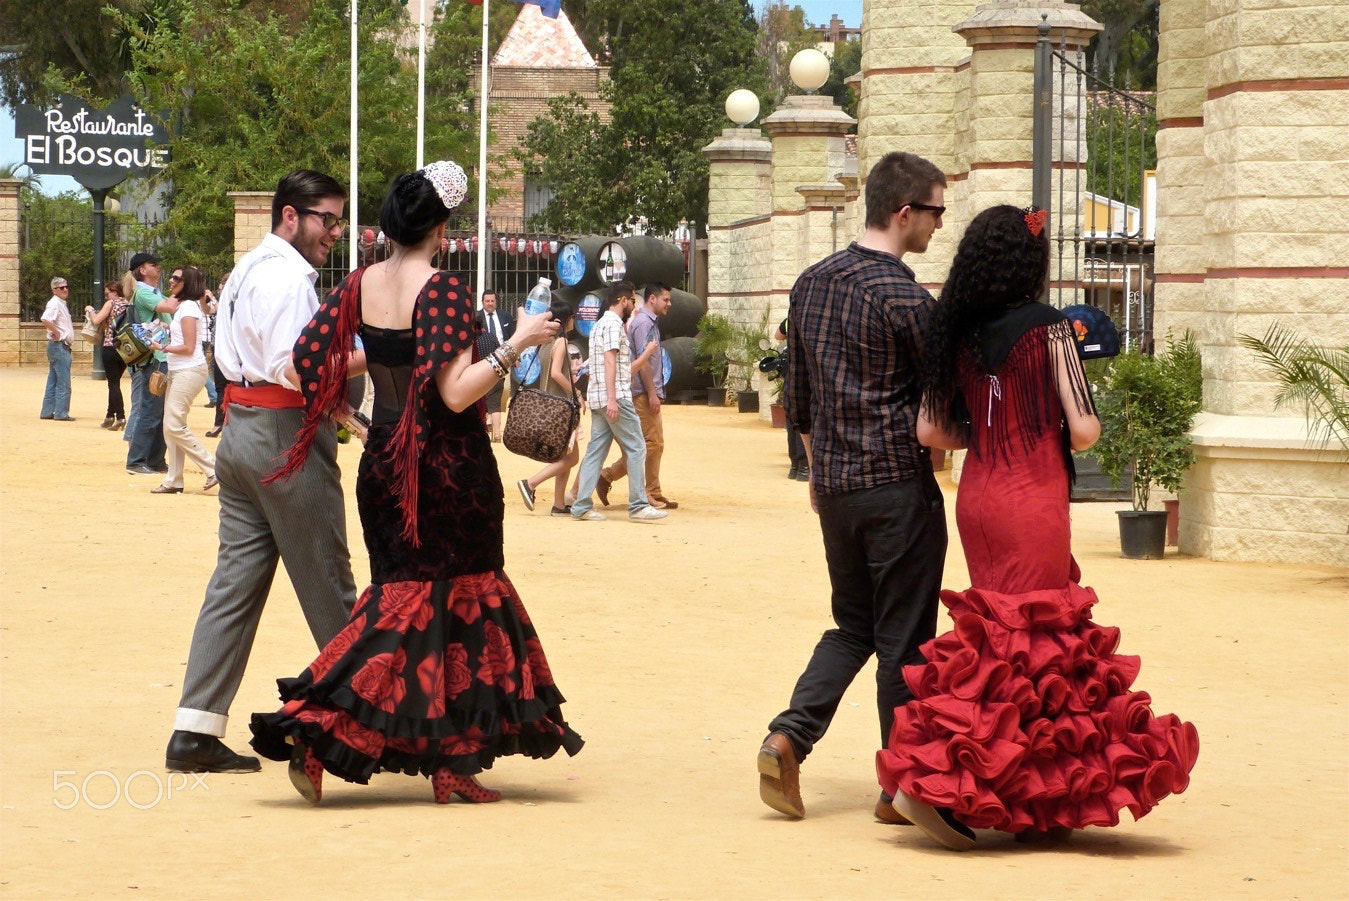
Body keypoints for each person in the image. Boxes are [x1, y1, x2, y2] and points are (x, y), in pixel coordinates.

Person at [249, 161, 583, 805]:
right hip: (447, 470)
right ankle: (321, 726)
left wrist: (352, 413)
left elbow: (301, 363)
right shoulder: (444, 290)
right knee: (451, 607)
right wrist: (519, 341)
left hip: (384, 461)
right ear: (442, 226)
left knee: (416, 606)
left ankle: (449, 761)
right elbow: (456, 394)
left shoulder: (362, 283)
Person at [876, 204, 1199, 850]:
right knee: (1032, 646)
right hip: (1032, 499)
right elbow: (1083, 430)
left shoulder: (955, 331)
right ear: (1030, 263)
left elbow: (929, 431)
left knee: (996, 642)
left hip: (979, 496)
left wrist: (986, 427)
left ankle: (1015, 793)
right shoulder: (1050, 330)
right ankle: (932, 781)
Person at [757, 151, 948, 823]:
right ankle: (900, 785)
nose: (938, 225)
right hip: (897, 484)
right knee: (905, 640)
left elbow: (800, 397)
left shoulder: (810, 284)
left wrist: (817, 473)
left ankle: (788, 735)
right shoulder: (905, 298)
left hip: (835, 484)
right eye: (934, 211)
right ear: (904, 213)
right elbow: (940, 404)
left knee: (852, 625)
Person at [165, 170, 358, 773]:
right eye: (327, 218)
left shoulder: (250, 266)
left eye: (339, 220)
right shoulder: (288, 279)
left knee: (234, 586)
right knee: (329, 583)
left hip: (242, 433)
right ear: (291, 216)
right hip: (283, 439)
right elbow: (294, 368)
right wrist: (375, 354)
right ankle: (368, 724)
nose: (335, 231)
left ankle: (194, 731)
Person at [568, 281, 667, 523]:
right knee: (637, 447)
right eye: (632, 301)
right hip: (615, 398)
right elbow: (611, 362)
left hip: (600, 397)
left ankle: (581, 505)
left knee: (596, 450)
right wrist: (613, 398)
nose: (634, 306)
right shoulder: (613, 325)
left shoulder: (600, 324)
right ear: (623, 300)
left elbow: (617, 367)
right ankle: (638, 505)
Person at [596, 282, 678, 509]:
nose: (669, 304)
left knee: (653, 444)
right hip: (641, 393)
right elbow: (643, 362)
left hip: (644, 392)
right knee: (649, 445)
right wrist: (652, 393)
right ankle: (635, 487)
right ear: (652, 299)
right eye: (666, 299)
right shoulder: (643, 323)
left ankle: (650, 489)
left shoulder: (648, 321)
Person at [147, 266, 217, 495]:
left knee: (174, 425)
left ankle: (213, 467)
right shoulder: (185, 306)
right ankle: (174, 480)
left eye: (176, 278)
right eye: (172, 276)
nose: (170, 280)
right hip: (180, 370)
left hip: (188, 370)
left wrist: (162, 347)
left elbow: (188, 347)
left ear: (187, 283)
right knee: (171, 427)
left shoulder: (188, 308)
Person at [516, 299, 585, 516]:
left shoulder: (545, 342)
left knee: (564, 457)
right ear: (565, 320)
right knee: (571, 458)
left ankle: (558, 504)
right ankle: (531, 483)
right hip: (562, 406)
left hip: (550, 403)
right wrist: (575, 393)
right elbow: (557, 372)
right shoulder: (562, 342)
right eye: (572, 317)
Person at [123, 253, 173, 475]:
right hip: (155, 358)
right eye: (153, 264)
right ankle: (136, 460)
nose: (158, 267)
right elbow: (169, 308)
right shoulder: (144, 291)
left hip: (159, 356)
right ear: (142, 270)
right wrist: (186, 289)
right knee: (151, 410)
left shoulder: (149, 291)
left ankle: (154, 460)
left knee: (160, 411)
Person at [86, 282, 129, 430]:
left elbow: (96, 320)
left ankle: (121, 417)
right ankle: (109, 416)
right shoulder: (128, 304)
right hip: (125, 348)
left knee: (113, 384)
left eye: (107, 293)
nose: (106, 296)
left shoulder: (111, 303)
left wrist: (91, 310)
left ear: (115, 292)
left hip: (110, 345)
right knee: (114, 383)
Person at [474, 288, 513, 442]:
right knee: (491, 398)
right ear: (482, 302)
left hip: (502, 361)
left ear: (496, 301)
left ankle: (488, 424)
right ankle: (494, 428)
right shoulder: (477, 316)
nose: (490, 303)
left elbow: (512, 337)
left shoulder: (505, 316)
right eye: (487, 301)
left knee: (501, 392)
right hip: (489, 364)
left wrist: (515, 357)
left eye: (492, 301)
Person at [774, 318, 807, 481]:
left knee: (792, 418)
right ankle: (805, 467)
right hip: (806, 371)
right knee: (806, 419)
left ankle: (795, 466)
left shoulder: (789, 319)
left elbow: (777, 336)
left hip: (791, 372)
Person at [39, 276, 74, 422]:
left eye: (66, 286)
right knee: (63, 382)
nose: (65, 289)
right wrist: (57, 332)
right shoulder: (54, 303)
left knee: (53, 379)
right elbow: (45, 318)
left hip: (58, 346)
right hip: (59, 346)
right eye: (61, 288)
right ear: (54, 290)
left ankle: (47, 411)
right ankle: (61, 412)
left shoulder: (60, 303)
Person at [205, 276, 229, 438]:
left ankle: (220, 423)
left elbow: (219, 311)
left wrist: (213, 298)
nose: (220, 290)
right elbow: (208, 311)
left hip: (227, 349)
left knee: (223, 387)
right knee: (221, 386)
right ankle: (222, 423)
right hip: (217, 347)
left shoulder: (230, 303)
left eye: (222, 287)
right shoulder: (221, 303)